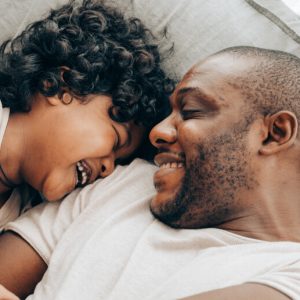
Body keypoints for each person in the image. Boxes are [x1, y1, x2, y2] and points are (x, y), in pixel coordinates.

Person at [1, 46, 300, 299]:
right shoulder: (119, 185)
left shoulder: (289, 275)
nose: (157, 132)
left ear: (275, 133)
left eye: (192, 110)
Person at [0, 0, 172, 231]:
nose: (108, 169)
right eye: (117, 139)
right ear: (59, 86)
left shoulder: (25, 217)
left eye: (118, 160)